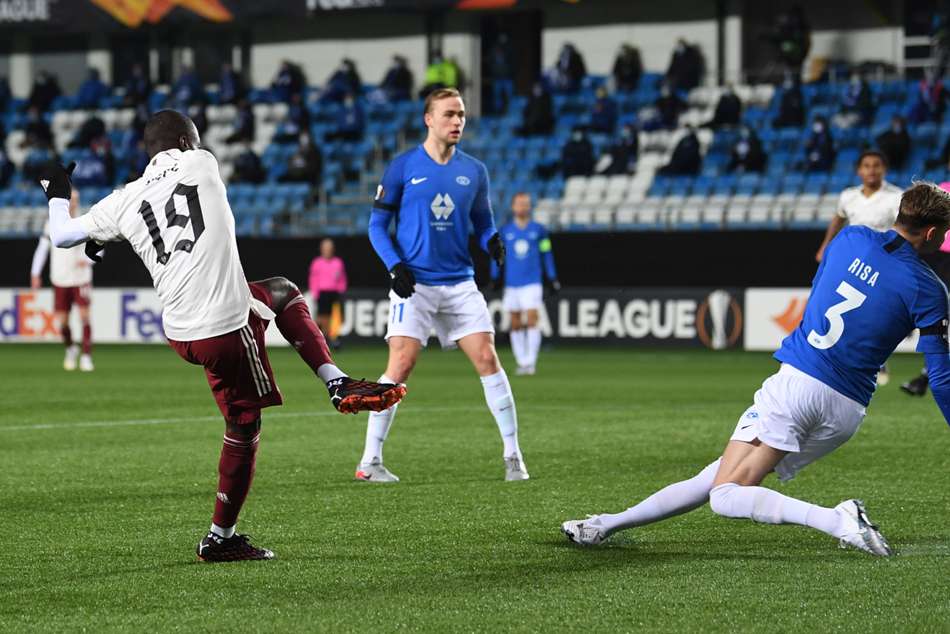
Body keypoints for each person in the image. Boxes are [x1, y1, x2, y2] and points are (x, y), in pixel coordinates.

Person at [37, 109, 405, 562]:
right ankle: (224, 533)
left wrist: (60, 192)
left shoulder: (123, 200)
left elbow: (61, 235)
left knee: (278, 291)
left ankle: (334, 384)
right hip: (226, 325)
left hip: (181, 332)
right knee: (245, 424)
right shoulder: (203, 161)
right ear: (186, 142)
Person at [562, 181, 950, 556]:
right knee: (719, 476)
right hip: (846, 412)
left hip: (798, 386)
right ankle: (603, 525)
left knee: (725, 496)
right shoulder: (931, 291)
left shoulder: (850, 239)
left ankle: (838, 520)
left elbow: (820, 289)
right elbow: (940, 377)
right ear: (932, 233)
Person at [359, 88, 527, 483]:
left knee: (487, 358)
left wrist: (491, 240)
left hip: (459, 282)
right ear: (428, 119)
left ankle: (513, 456)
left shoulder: (475, 171)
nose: (457, 121)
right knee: (401, 365)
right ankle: (370, 461)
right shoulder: (402, 167)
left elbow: (483, 221)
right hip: (414, 283)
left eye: (461, 115)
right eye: (449, 114)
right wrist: (395, 266)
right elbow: (377, 226)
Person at [815, 150, 902, 385]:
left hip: (882, 263)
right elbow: (838, 217)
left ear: (884, 169)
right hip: (851, 262)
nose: (871, 170)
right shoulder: (848, 196)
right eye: (866, 165)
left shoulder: (896, 197)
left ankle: (877, 358)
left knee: (875, 312)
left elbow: (902, 229)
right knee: (844, 308)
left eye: (876, 165)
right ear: (858, 170)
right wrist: (825, 245)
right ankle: (840, 358)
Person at [30, 189, 98, 372]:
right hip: (60, 278)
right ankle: (71, 348)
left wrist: (87, 260)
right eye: (71, 199)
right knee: (62, 322)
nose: (73, 203)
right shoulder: (52, 223)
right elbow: (42, 249)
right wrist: (35, 273)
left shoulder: (86, 220)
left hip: (81, 278)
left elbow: (100, 247)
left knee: (84, 316)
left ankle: (86, 356)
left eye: (76, 199)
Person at [492, 192, 559, 375]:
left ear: (530, 207)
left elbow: (546, 253)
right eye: (520, 204)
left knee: (531, 319)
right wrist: (495, 276)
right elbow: (498, 255)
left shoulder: (539, 230)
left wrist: (552, 277)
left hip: (532, 281)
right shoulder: (505, 231)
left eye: (526, 204)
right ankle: (521, 361)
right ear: (513, 207)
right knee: (515, 323)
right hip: (512, 283)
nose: (523, 207)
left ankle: (531, 362)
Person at [903, 181, 950, 397]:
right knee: (937, 313)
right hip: (939, 257)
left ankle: (925, 377)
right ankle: (926, 376)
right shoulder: (941, 188)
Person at [308, 238, 347, 350]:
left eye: (329, 248)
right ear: (321, 249)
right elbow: (313, 279)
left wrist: (341, 290)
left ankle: (334, 339)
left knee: (336, 317)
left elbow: (342, 278)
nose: (327, 250)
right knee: (323, 318)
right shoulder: (317, 263)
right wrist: (315, 293)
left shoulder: (338, 262)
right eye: (325, 248)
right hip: (322, 293)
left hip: (335, 293)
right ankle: (324, 338)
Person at [488, 34, 514, 113]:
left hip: (507, 77)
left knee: (509, 96)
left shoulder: (509, 50)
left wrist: (511, 72)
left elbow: (514, 62)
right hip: (497, 77)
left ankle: (508, 113)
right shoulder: (494, 50)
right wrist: (493, 71)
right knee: (497, 97)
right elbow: (490, 61)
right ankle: (497, 113)